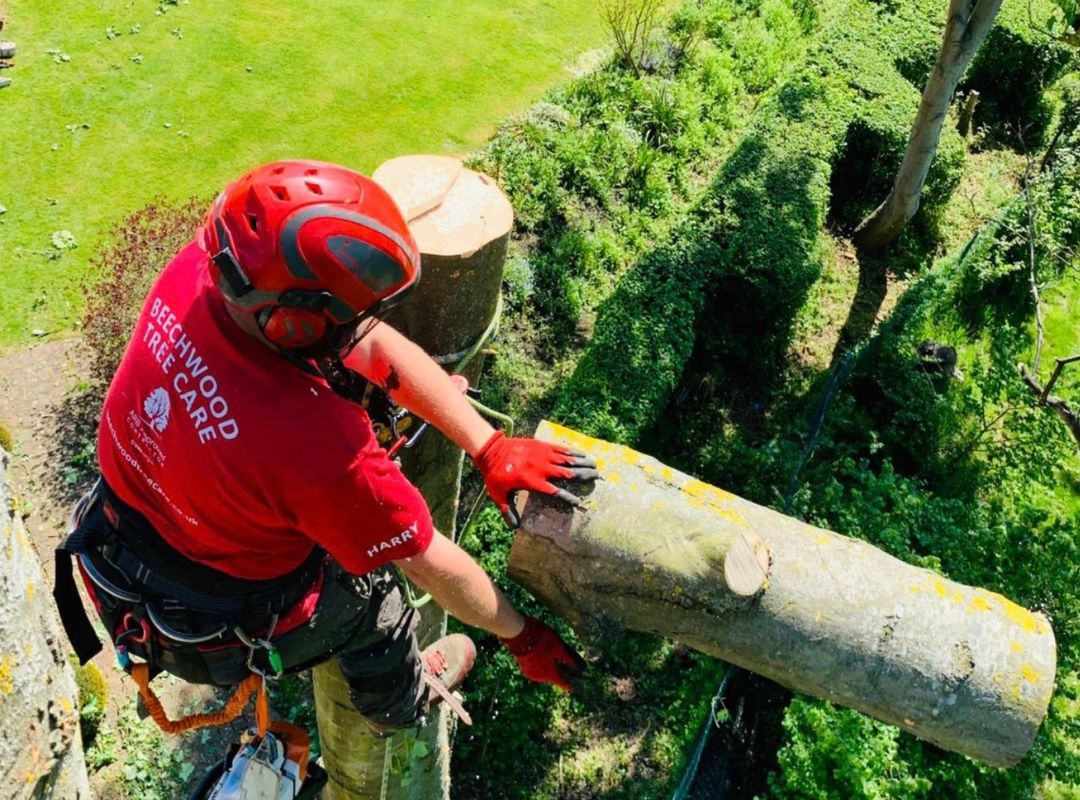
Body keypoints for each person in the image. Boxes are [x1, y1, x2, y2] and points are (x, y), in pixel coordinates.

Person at [55, 159, 596, 734]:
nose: (365, 325)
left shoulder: (208, 267)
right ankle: (403, 699)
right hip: (207, 616)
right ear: (291, 326)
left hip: (119, 532)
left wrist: (488, 446)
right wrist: (523, 635)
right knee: (373, 598)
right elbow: (427, 557)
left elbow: (366, 348)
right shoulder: (317, 446)